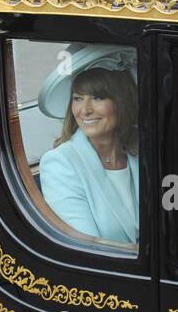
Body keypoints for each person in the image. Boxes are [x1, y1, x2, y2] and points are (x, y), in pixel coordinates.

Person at [38, 46, 142, 246]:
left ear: (123, 101)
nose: (84, 110)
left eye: (97, 98)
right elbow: (88, 248)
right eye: (78, 98)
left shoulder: (141, 151)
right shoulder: (60, 164)